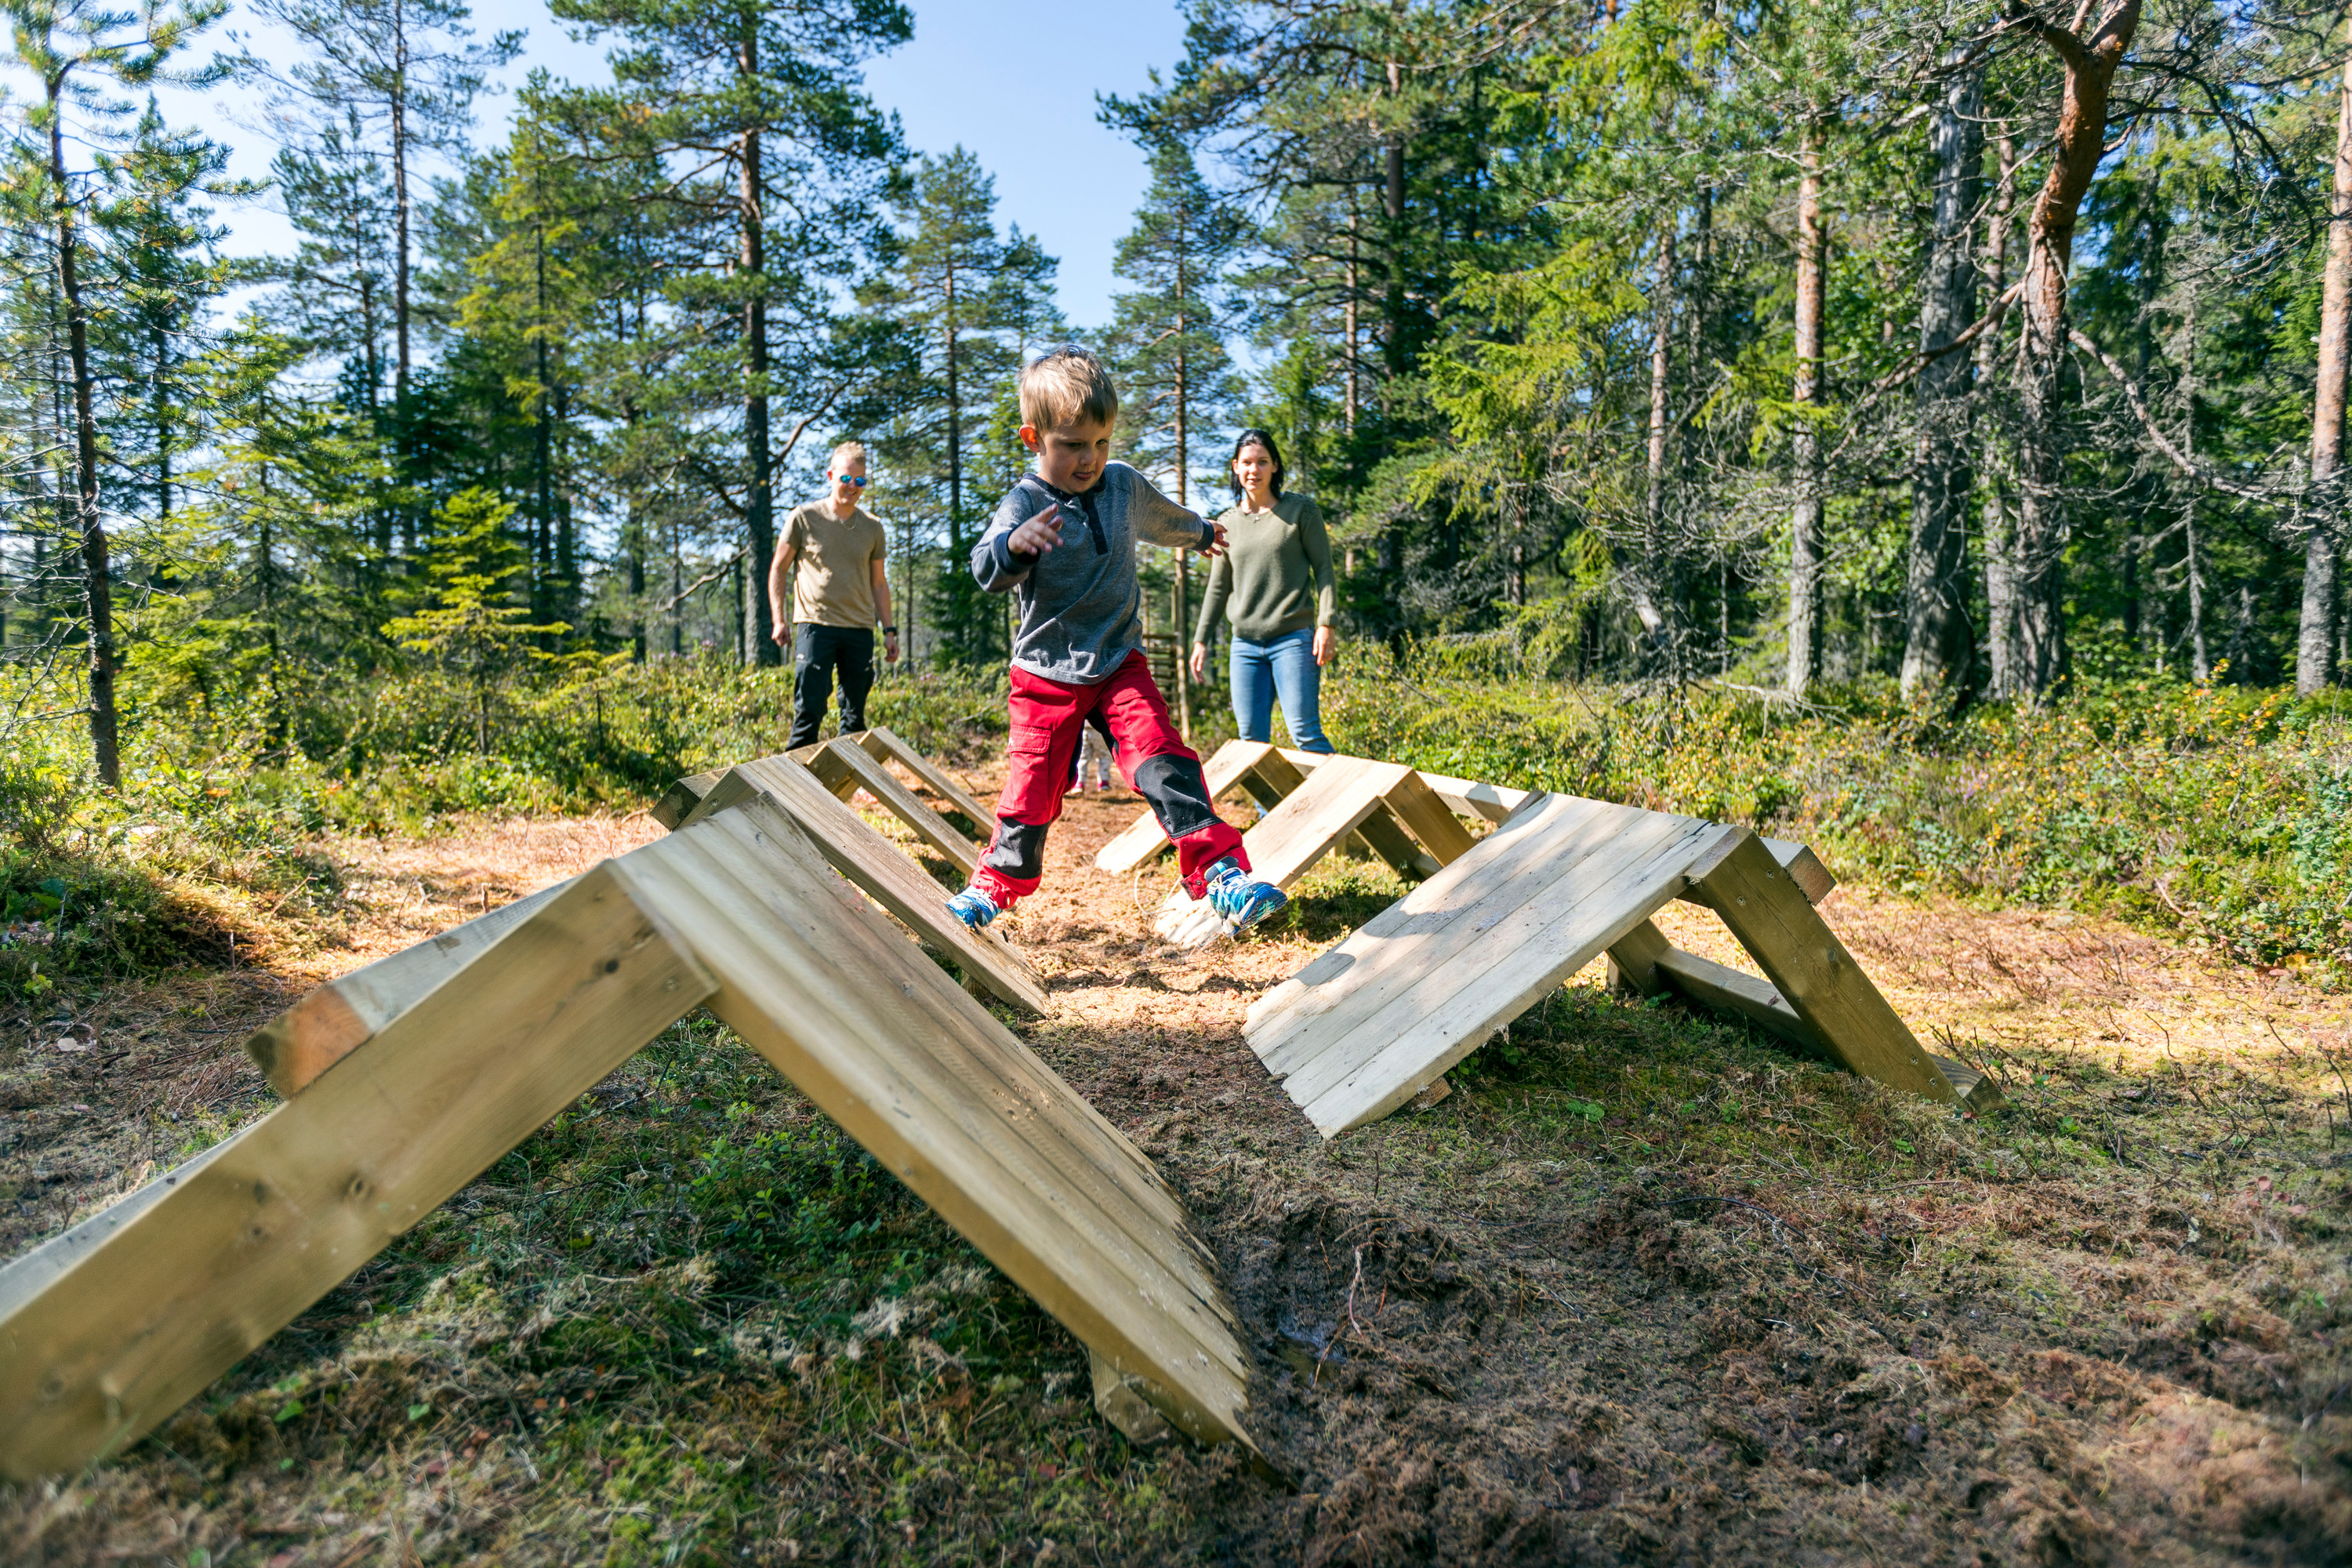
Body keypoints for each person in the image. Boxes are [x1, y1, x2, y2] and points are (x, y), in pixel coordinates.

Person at [946, 346, 1287, 937]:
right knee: (1031, 787)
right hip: (1045, 671)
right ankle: (992, 888)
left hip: (1117, 662)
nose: (1090, 459)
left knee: (1161, 756)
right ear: (1034, 438)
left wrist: (1202, 530)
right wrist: (1016, 545)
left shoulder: (1121, 485)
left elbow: (1163, 518)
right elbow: (985, 567)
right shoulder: (1025, 502)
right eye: (1073, 445)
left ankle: (1223, 873)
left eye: (1101, 442)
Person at [1189, 429, 1337, 753]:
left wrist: (1326, 623)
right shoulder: (1226, 524)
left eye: (1262, 462)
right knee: (1251, 745)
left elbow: (1324, 570)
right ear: (1235, 467)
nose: (1253, 470)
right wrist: (1201, 639)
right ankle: (1267, 808)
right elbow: (1217, 588)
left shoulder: (1302, 512)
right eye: (1247, 463)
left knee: (1306, 735)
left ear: (1275, 466)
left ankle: (1344, 803)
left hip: (1294, 640)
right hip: (1244, 647)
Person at [770, 441, 897, 750]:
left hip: (859, 630)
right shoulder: (804, 518)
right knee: (809, 712)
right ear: (831, 475)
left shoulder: (873, 528)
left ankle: (842, 793)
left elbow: (879, 583)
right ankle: (795, 791)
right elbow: (778, 569)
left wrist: (889, 631)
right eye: (846, 478)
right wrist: (779, 620)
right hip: (816, 627)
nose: (852, 487)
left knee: (854, 721)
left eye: (860, 481)